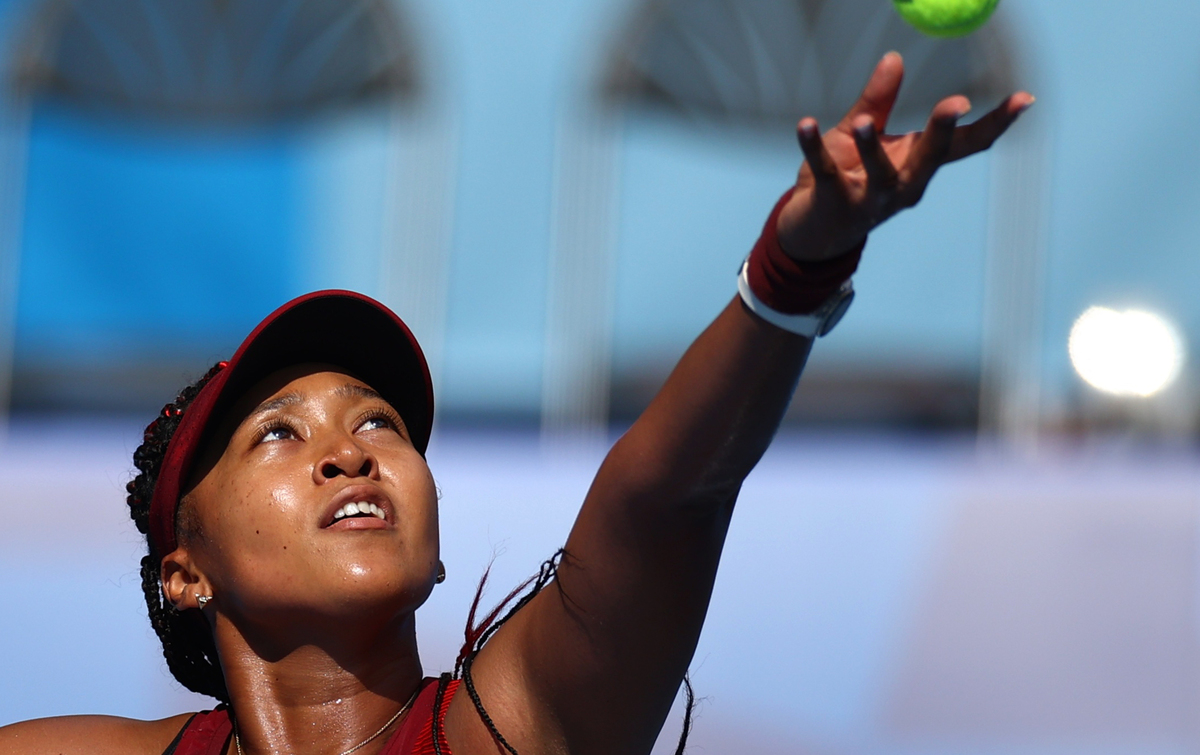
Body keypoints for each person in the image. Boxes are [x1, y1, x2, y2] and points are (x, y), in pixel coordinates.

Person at [0, 52, 1033, 755]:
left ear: (435, 548)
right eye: (279, 432)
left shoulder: (516, 728)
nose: (352, 454)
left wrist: (795, 272)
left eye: (379, 423)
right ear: (185, 573)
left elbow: (664, 499)